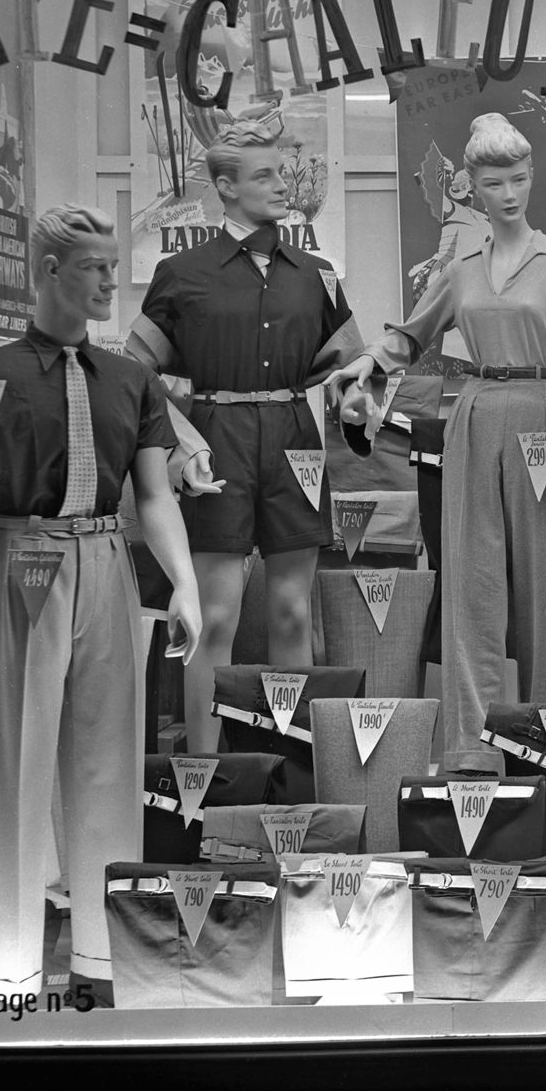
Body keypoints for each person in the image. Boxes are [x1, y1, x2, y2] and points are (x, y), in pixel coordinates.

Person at [0, 204, 202, 1003]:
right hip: (24, 557)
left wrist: (181, 581)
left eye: (114, 265)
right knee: (17, 760)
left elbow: (154, 494)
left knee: (109, 763)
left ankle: (101, 964)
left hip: (107, 561)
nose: (112, 280)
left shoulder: (130, 379)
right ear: (50, 271)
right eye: (95, 266)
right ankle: (11, 973)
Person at [329, 113, 546, 764]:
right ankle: (474, 750)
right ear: (472, 186)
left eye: (520, 178)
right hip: (474, 412)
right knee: (471, 581)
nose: (510, 193)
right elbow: (411, 334)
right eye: (495, 182)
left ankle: (543, 738)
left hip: (544, 414)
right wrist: (370, 363)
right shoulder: (462, 265)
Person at [126, 119, 366, 755]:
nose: (282, 185)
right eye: (265, 175)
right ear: (225, 187)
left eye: (283, 171)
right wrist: (181, 438)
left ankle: (291, 771)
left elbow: (348, 371)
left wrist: (361, 395)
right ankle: (205, 774)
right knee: (216, 616)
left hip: (296, 442)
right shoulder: (181, 273)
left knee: (292, 613)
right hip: (216, 439)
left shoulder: (317, 274)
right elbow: (134, 373)